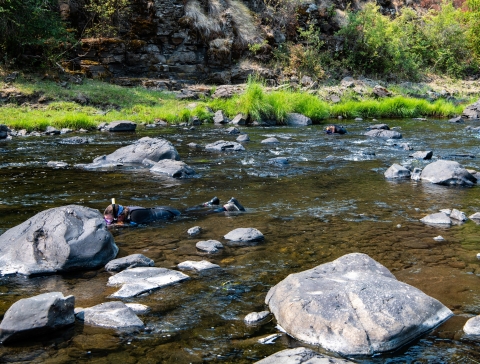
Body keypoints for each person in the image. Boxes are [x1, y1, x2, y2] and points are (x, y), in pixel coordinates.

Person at [103, 197, 245, 226]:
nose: (109, 222)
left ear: (119, 215)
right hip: (164, 208)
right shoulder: (127, 210)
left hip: (168, 214)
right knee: (188, 210)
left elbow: (134, 226)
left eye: (110, 220)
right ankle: (209, 203)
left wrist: (117, 226)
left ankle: (227, 207)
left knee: (196, 216)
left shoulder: (134, 215)